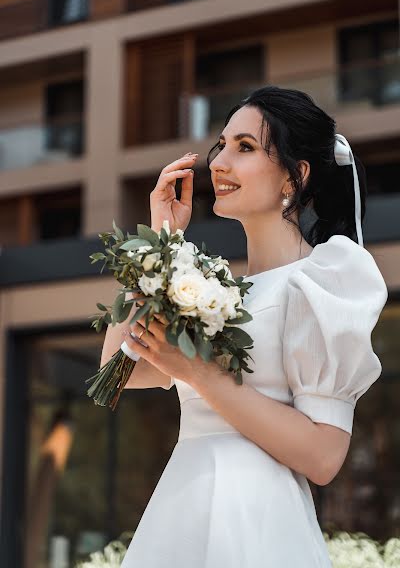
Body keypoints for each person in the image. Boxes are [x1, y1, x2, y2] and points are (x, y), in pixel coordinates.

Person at [101, 86, 388, 567]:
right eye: (222, 144)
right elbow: (118, 371)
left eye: (246, 147)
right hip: (181, 515)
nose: (219, 162)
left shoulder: (323, 279)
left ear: (294, 177)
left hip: (258, 524)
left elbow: (323, 456)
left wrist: (200, 375)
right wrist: (160, 247)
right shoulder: (209, 288)